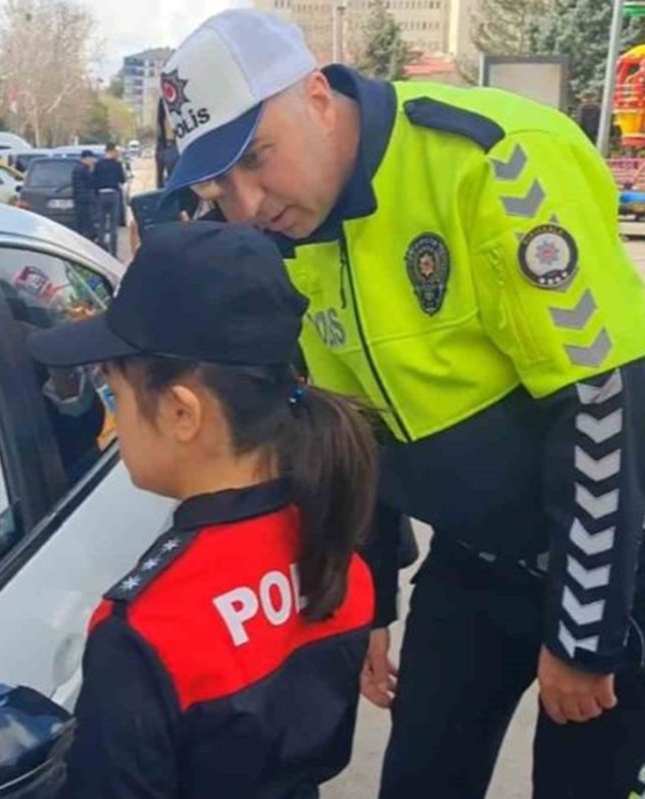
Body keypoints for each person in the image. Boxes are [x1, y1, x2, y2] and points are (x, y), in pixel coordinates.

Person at [158, 9, 645, 798]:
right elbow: (351, 425)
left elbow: (603, 398)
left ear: (318, 96)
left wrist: (584, 633)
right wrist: (367, 597)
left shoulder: (493, 159)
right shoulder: (294, 229)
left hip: (627, 548)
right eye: (221, 185)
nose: (248, 204)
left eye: (258, 158)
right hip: (483, 553)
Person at [29, 222, 383, 799]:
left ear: (180, 412)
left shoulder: (148, 630)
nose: (115, 418)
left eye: (117, 395)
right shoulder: (333, 549)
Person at [71, 149, 99, 241]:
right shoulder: (83, 169)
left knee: (81, 221)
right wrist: (92, 169)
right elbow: (91, 182)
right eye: (91, 159)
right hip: (85, 199)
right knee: (87, 221)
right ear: (86, 159)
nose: (92, 161)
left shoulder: (77, 168)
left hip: (79, 198)